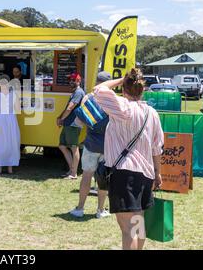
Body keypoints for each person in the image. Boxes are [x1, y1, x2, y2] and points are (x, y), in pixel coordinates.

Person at [93, 69, 164, 250]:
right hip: (146, 174)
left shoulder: (122, 107)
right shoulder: (152, 113)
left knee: (128, 230)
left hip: (124, 173)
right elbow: (157, 147)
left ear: (124, 90)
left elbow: (99, 89)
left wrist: (120, 80)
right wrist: (158, 173)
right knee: (138, 225)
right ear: (142, 90)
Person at [69, 71, 112, 219]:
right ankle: (100, 210)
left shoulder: (88, 97)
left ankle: (80, 208)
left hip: (91, 143)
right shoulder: (113, 100)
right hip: (107, 146)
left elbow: (80, 120)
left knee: (87, 175)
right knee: (103, 178)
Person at [0, 75, 21, 174]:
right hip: (11, 118)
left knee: (0, 143)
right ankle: (10, 168)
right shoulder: (14, 94)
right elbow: (18, 110)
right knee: (11, 143)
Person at [57, 73, 85, 180]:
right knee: (62, 146)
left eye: (74, 80)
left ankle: (74, 173)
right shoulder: (75, 92)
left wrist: (61, 119)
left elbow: (70, 108)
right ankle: (71, 169)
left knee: (74, 147)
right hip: (68, 123)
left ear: (79, 81)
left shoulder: (78, 92)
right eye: (70, 80)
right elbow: (67, 109)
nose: (71, 82)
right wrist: (60, 117)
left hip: (73, 124)